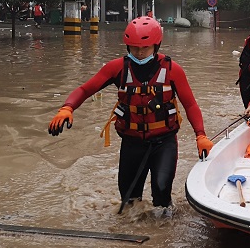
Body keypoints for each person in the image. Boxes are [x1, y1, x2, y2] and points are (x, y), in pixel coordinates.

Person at [48, 16, 213, 216]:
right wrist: (67, 108)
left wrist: (200, 135)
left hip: (164, 142)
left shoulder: (172, 70)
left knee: (161, 194)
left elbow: (190, 104)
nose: (139, 52)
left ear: (156, 45)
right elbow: (85, 90)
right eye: (134, 48)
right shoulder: (117, 68)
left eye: (145, 48)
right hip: (132, 143)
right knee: (129, 201)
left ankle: (163, 231)